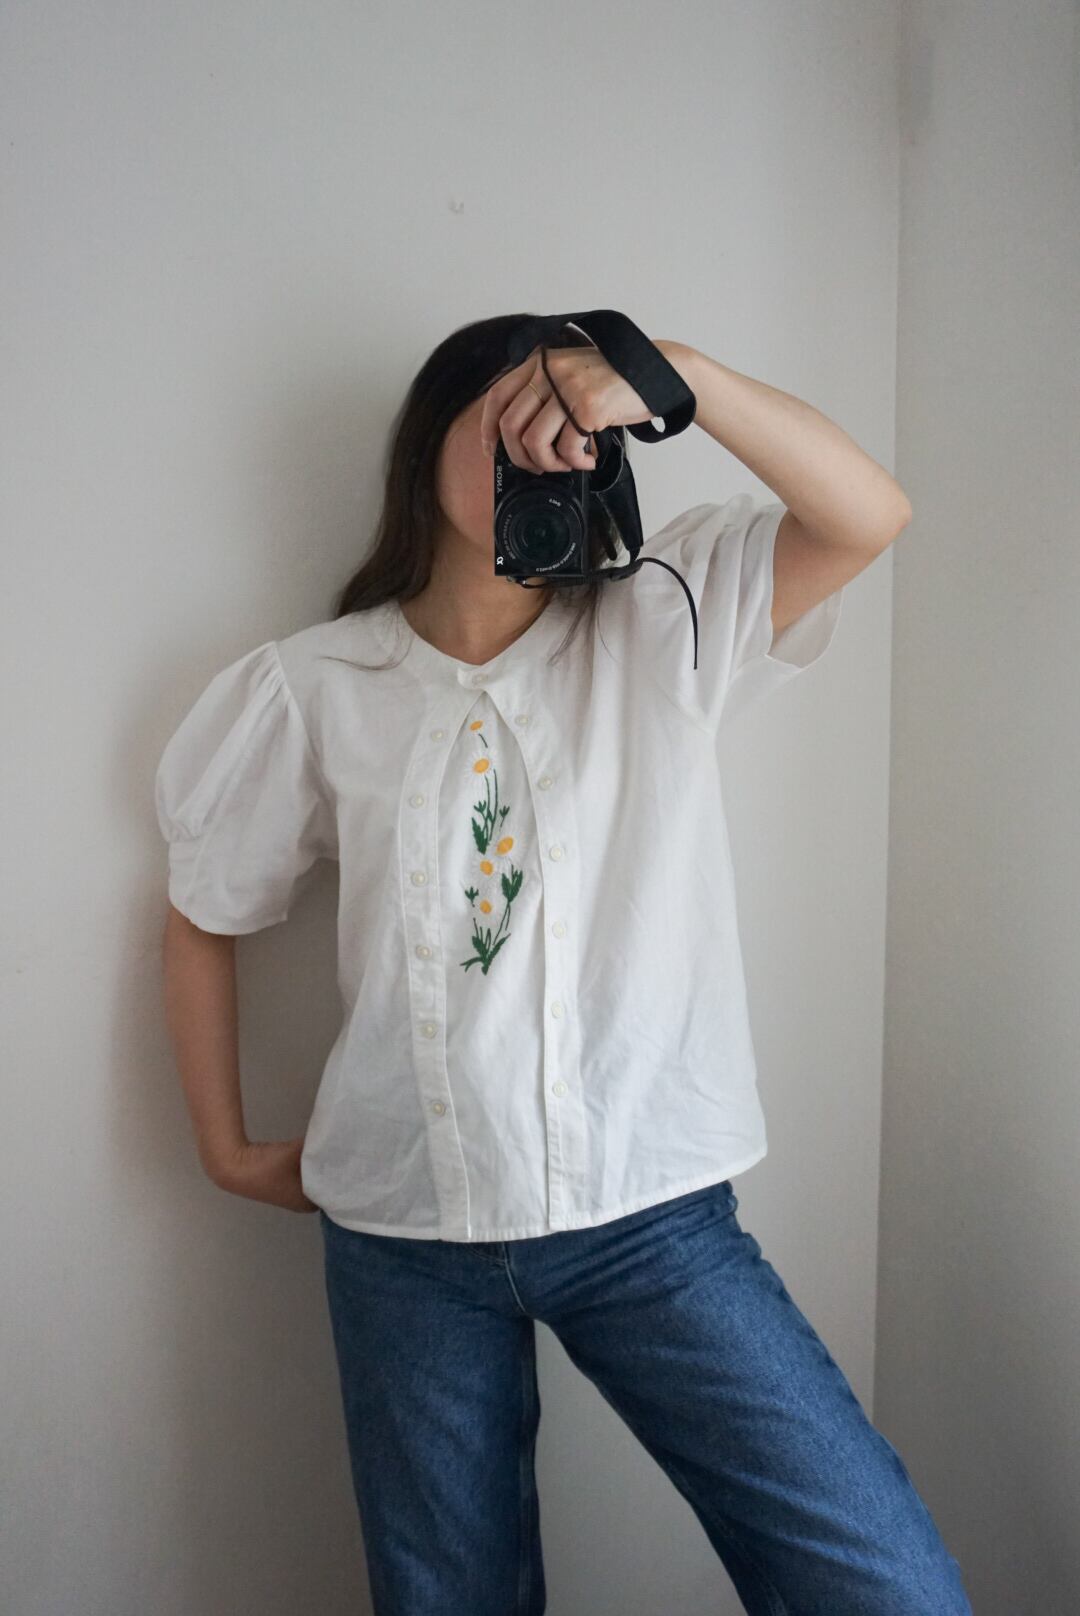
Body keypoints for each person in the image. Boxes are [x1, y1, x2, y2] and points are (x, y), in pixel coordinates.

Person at [155, 314, 972, 1615]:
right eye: (509, 418)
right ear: (430, 438)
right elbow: (206, 909)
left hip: (651, 1221)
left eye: (569, 429)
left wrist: (673, 374)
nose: (541, 450)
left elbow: (868, 512)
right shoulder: (316, 685)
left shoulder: (668, 618)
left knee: (883, 1583)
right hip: (404, 1233)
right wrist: (226, 1147)